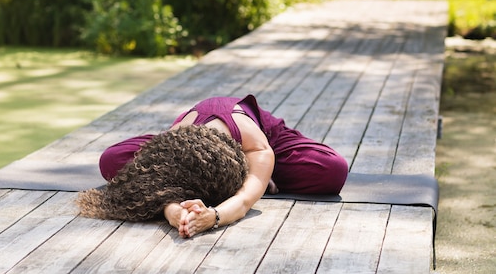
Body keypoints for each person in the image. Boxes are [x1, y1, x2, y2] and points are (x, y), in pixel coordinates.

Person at [76, 94, 348, 238]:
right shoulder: (175, 142)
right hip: (188, 143)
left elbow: (242, 202)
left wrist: (214, 215)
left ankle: (263, 172)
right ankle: (253, 176)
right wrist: (173, 212)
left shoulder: (257, 146)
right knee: (111, 161)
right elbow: (158, 186)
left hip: (262, 137)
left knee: (332, 170)